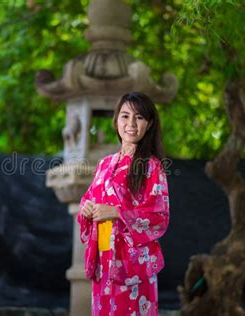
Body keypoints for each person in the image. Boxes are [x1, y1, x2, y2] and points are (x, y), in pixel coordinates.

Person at [77, 92, 170, 315]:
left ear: (148, 124)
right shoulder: (104, 164)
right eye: (125, 116)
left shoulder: (152, 167)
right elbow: (88, 200)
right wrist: (86, 209)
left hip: (132, 265)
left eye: (138, 118)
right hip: (104, 259)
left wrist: (117, 212)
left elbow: (159, 217)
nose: (130, 123)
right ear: (116, 120)